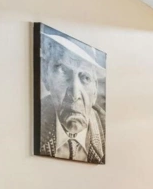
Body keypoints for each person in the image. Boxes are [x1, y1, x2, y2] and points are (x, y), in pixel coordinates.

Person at [37, 29, 106, 163]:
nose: (74, 95)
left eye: (85, 78)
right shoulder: (36, 123)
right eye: (64, 72)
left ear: (95, 90)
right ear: (46, 76)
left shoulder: (107, 133)